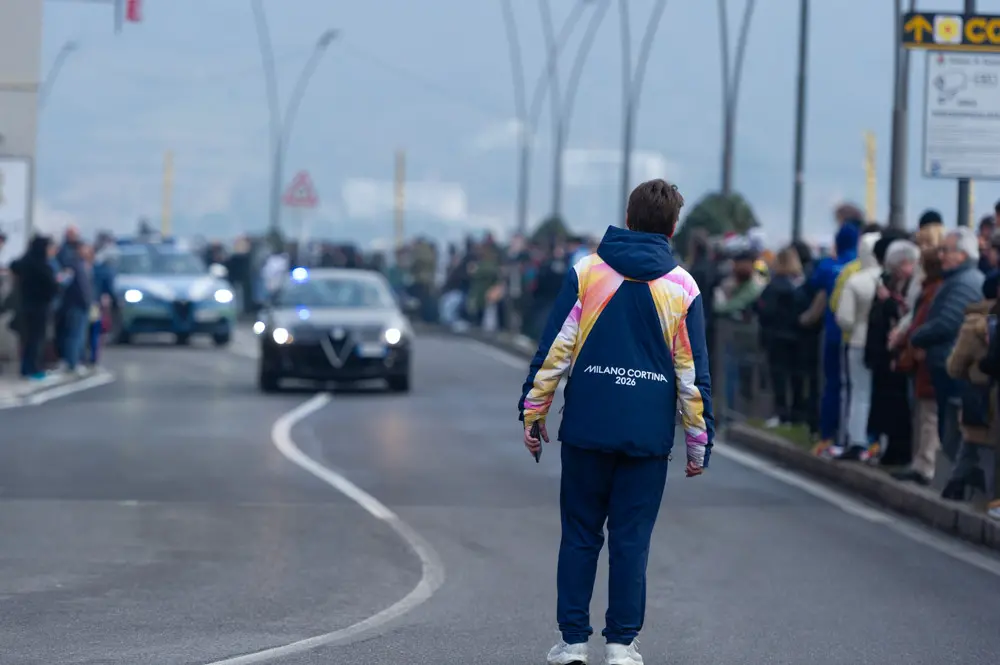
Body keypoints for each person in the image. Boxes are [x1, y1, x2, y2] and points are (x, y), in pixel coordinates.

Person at [520, 179, 713, 665]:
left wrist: (534, 411)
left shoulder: (586, 272)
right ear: (672, 228)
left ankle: (572, 644)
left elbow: (556, 350)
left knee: (580, 535)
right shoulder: (684, 287)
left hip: (587, 427)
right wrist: (697, 443)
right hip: (647, 437)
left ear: (628, 219)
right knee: (631, 540)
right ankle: (622, 646)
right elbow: (691, 376)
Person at [911, 228, 986, 465]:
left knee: (952, 430)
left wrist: (917, 336)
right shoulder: (957, 280)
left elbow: (948, 322)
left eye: (946, 250)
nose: (941, 255)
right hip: (946, 363)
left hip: (952, 365)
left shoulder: (965, 282)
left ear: (962, 254)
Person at [799, 220, 860, 455]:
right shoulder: (859, 265)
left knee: (832, 385)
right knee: (855, 389)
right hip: (857, 335)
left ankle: (827, 434)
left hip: (833, 332)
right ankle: (850, 437)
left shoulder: (829, 266)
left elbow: (811, 285)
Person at [865, 238, 918, 466]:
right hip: (884, 352)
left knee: (898, 406)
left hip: (897, 353)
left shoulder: (910, 287)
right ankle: (889, 447)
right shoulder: (889, 284)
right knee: (887, 403)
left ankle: (899, 450)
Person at [756, 246, 805, 426]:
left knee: (779, 377)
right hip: (797, 336)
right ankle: (797, 414)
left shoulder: (774, 286)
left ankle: (781, 413)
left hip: (776, 336)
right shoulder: (799, 284)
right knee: (796, 377)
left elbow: (764, 309)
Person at [9, 236, 59, 380]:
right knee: (37, 339)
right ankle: (33, 369)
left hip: (25, 305)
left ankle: (26, 368)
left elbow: (14, 265)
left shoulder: (25, 263)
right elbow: (52, 287)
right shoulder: (43, 266)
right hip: (40, 306)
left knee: (28, 339)